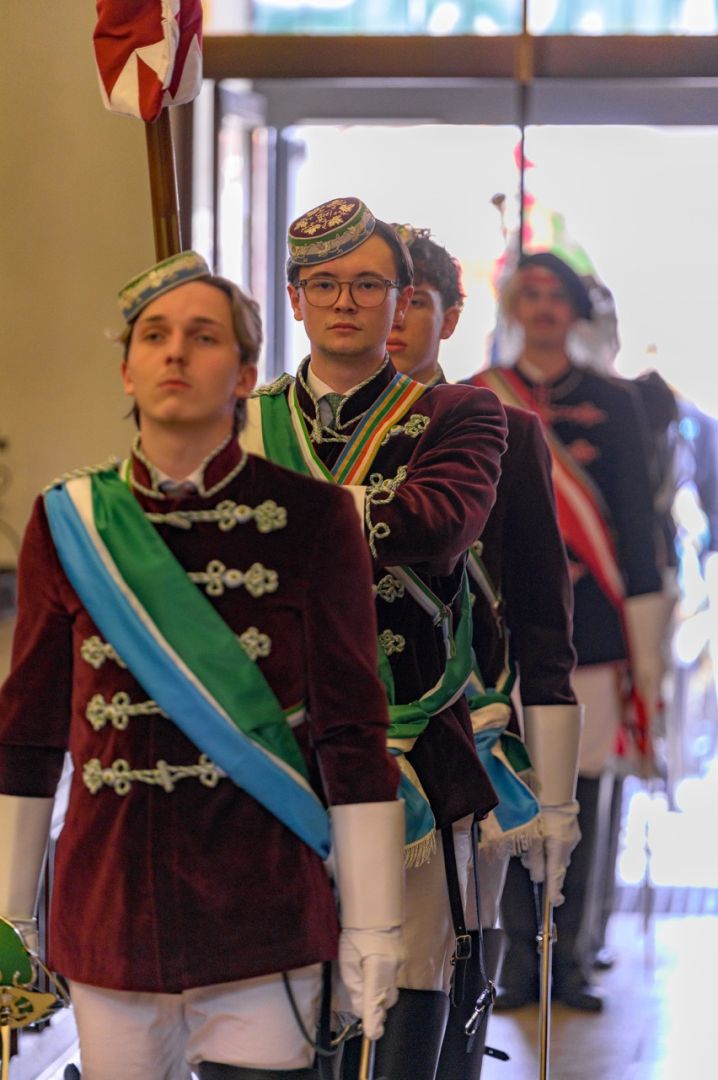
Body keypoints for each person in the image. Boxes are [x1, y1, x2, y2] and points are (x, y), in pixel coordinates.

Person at [0, 252, 407, 1080]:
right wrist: (12, 917)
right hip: (108, 906)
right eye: (153, 336)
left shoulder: (314, 520)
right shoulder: (66, 519)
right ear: (126, 369)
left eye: (202, 336)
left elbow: (352, 735)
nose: (175, 353)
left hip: (261, 911)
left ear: (246, 373)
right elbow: (28, 735)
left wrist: (373, 926)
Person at [239, 197, 508, 1080]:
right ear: (294, 298)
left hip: (412, 740)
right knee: (271, 1004)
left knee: (401, 1014)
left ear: (402, 303)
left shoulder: (457, 416)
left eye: (368, 284)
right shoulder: (245, 417)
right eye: (324, 283)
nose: (345, 301)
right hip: (269, 744)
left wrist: (272, 516)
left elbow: (437, 525)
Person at [384, 226, 581, 1075]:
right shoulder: (288, 427)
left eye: (413, 301)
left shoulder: (501, 429)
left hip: (469, 733)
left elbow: (541, 616)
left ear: (451, 316)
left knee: (459, 955)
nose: (389, 319)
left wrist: (558, 789)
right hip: (329, 738)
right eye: (374, 297)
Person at [467, 251, 664, 1012]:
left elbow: (640, 532)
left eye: (559, 295)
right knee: (512, 791)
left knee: (585, 797)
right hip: (501, 633)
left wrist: (645, 646)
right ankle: (516, 960)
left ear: (577, 308)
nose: (545, 307)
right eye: (532, 294)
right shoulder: (477, 397)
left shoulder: (616, 404)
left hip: (595, 633)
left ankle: (572, 958)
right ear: (515, 305)